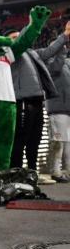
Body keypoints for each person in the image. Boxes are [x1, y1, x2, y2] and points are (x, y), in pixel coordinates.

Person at [0, 6, 51, 170]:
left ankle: (2, 177)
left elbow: (23, 42)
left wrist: (34, 26)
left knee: (4, 144)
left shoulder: (5, 51)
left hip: (7, 103)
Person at [9, 20, 65, 172]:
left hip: (38, 101)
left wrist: (64, 36)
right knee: (21, 140)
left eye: (17, 36)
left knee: (35, 140)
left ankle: (32, 172)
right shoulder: (12, 53)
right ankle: (17, 172)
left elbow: (49, 51)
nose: (18, 39)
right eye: (14, 37)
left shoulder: (32, 53)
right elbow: (21, 39)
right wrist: (31, 24)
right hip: (22, 101)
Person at [44, 24, 70, 182]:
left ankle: (68, 171)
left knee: (68, 144)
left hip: (68, 109)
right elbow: (57, 66)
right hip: (57, 109)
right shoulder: (48, 63)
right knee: (58, 143)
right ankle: (56, 171)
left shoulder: (67, 63)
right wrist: (62, 46)